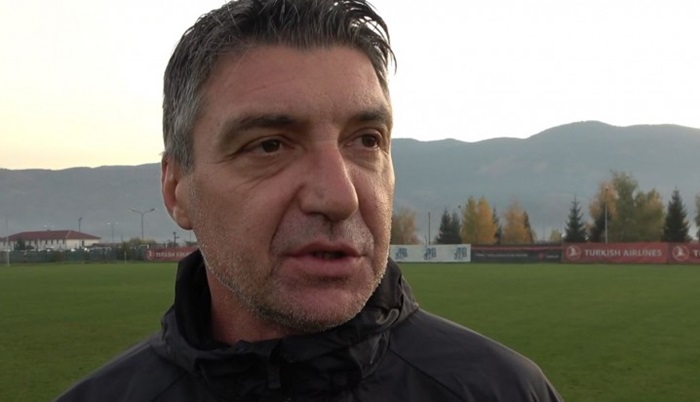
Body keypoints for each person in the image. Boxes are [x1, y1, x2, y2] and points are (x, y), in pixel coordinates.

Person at [55, 0, 563, 400]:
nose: (340, 197)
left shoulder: (505, 391)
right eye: (269, 146)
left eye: (366, 141)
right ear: (176, 189)